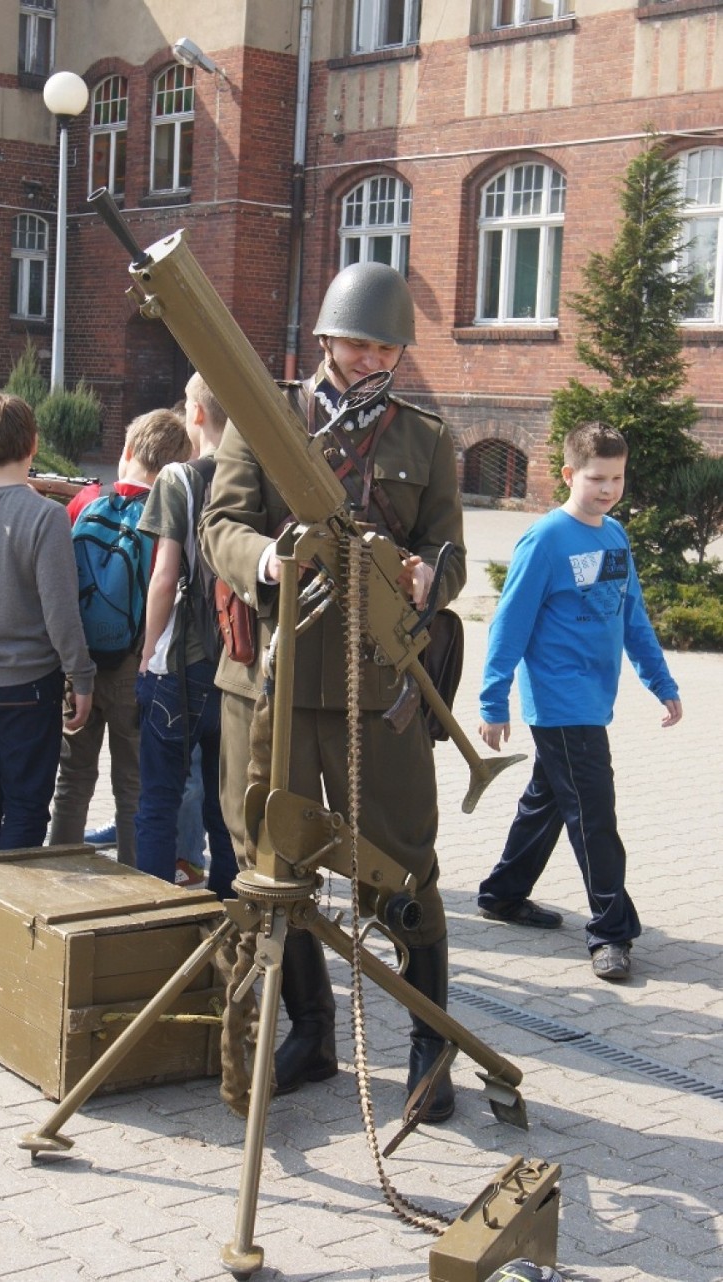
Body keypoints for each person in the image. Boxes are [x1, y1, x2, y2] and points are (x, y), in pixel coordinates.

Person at [199, 262, 466, 1122]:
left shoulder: (424, 436)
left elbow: (450, 550)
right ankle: (310, 1030)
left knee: (402, 861)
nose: (371, 357)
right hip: (271, 682)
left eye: (388, 345)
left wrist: (431, 577)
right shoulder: (266, 414)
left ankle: (431, 1042)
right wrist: (266, 561)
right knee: (272, 863)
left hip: (376, 687)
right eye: (358, 341)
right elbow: (220, 525)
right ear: (325, 338)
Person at [477, 421, 683, 983]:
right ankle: (611, 932)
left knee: (548, 801)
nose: (608, 489)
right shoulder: (545, 540)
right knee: (593, 815)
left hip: (594, 698)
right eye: (596, 478)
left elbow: (631, 616)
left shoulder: (614, 536)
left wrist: (661, 682)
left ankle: (502, 893)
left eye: (616, 478)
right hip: (561, 702)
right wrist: (494, 699)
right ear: (568, 475)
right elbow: (509, 623)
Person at [0, 392, 95, 853]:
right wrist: (81, 676)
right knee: (26, 805)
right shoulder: (46, 517)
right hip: (28, 682)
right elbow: (60, 611)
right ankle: (9, 912)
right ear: (34, 443)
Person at [49, 409, 190, 866]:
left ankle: (59, 871)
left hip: (82, 665)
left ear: (127, 452)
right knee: (133, 785)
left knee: (72, 778)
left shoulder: (86, 503)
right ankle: (132, 883)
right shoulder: (170, 517)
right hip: (137, 666)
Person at [134, 373, 238, 899]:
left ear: (195, 414)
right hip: (239, 666)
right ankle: (229, 908)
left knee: (158, 799)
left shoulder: (179, 477)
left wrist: (147, 649)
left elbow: (164, 576)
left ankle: (153, 916)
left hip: (183, 665)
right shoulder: (253, 475)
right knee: (226, 805)